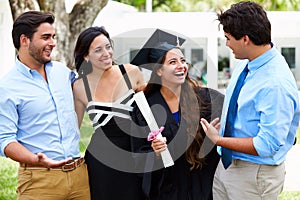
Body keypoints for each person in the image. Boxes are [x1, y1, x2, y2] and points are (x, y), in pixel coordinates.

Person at [200, 2, 300, 200]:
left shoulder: (275, 83)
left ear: (245, 39)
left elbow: (267, 144)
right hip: (229, 165)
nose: (226, 44)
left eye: (228, 39)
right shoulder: (247, 63)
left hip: (254, 175)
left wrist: (219, 140)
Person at [0, 11, 90, 199]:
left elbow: (92, 88)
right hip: (39, 180)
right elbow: (5, 140)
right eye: (46, 37)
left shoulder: (62, 72)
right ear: (25, 40)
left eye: (54, 37)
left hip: (80, 176)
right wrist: (37, 160)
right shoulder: (7, 87)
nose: (53, 43)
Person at [130, 29, 224, 200]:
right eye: (172, 62)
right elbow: (137, 153)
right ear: (159, 70)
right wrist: (155, 152)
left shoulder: (206, 99)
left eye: (183, 60)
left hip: (203, 185)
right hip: (166, 189)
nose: (181, 66)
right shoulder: (145, 108)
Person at [72, 26, 146, 200]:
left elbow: (150, 111)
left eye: (108, 46)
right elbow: (73, 130)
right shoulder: (79, 86)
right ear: (85, 56)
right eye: (98, 50)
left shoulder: (130, 72)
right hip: (101, 163)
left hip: (135, 154)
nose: (106, 53)